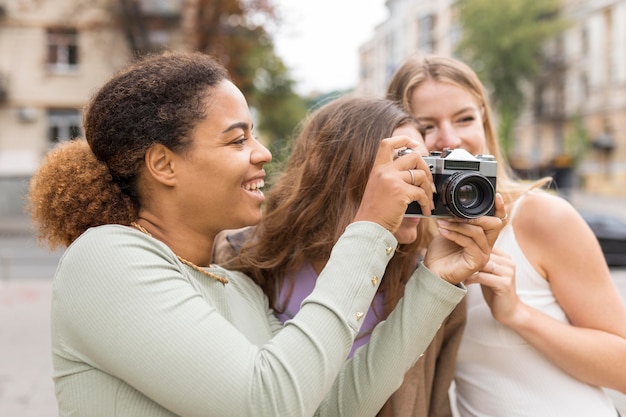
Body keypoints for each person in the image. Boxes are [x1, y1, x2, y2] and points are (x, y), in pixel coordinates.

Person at [26, 51, 505, 417]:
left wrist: (436, 280)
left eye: (254, 135)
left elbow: (330, 407)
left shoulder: (237, 288)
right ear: (163, 163)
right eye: (237, 139)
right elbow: (266, 403)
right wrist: (370, 228)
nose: (262, 154)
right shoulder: (107, 257)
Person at [387, 54, 626, 416]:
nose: (451, 139)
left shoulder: (541, 216)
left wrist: (518, 314)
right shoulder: (405, 238)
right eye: (427, 126)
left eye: (465, 118)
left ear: (484, 121)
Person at [214, 95, 482, 417]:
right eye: (406, 167)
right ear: (341, 171)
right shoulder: (243, 260)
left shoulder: (429, 285)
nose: (423, 186)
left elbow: (437, 406)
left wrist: (439, 280)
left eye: (428, 168)